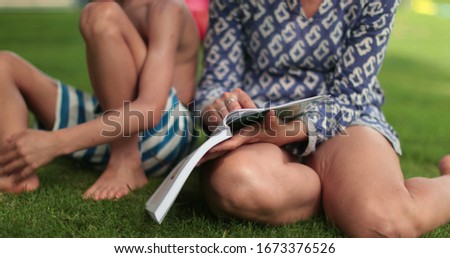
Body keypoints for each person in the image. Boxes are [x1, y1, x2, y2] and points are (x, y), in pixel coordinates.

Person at [196, 0, 450, 237]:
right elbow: (216, 84)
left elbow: (349, 95)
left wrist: (287, 131)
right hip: (257, 123)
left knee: (385, 221)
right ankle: (337, 191)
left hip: (345, 120)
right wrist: (219, 110)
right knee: (235, 184)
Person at [0, 0, 200, 200]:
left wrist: (54, 143)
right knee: (4, 65)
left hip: (166, 135)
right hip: (109, 126)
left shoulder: (165, 9)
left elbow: (149, 110)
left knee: (101, 14)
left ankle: (126, 161)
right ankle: (15, 173)